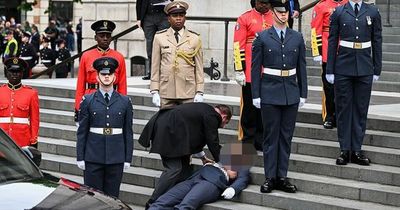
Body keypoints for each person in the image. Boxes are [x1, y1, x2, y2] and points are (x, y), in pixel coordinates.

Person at [251, 0, 307, 193]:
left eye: (286, 13)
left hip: (290, 92)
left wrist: (303, 93)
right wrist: (256, 94)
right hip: (269, 92)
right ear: (273, 13)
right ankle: (270, 177)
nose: (284, 15)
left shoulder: (297, 37)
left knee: (286, 137)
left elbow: (302, 67)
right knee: (270, 137)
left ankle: (282, 176)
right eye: (280, 12)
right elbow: (255, 67)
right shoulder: (262, 37)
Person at [138, 103, 232, 207]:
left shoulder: (205, 111)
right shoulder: (213, 116)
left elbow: (196, 135)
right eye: (225, 123)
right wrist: (224, 163)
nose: (223, 126)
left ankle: (170, 199)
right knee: (174, 169)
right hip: (167, 131)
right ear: (223, 116)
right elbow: (212, 141)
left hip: (172, 131)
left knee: (185, 167)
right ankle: (152, 202)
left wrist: (203, 157)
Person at [326, 0, 382, 166]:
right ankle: (344, 150)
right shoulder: (339, 12)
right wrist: (330, 68)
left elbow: (377, 40)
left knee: (360, 109)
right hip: (343, 66)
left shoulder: (372, 11)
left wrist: (377, 67)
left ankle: (356, 150)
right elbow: (332, 40)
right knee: (343, 109)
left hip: (364, 66)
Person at [76, 57, 133, 198]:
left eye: (110, 74)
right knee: (93, 199)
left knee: (112, 198)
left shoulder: (125, 101)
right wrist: (80, 157)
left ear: (115, 76)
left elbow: (128, 132)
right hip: (93, 157)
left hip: (116, 157)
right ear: (97, 76)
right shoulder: (88, 100)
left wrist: (127, 158)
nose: (106, 77)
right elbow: (82, 132)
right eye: (103, 74)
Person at [233, 0, 273, 151]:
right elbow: (238, 46)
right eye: (261, 2)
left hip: (269, 70)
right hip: (250, 70)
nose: (264, 6)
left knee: (265, 107)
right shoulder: (245, 18)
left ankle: (261, 138)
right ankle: (247, 139)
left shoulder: (275, 17)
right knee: (249, 108)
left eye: (267, 3)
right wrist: (239, 69)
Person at [150, 1, 204, 108]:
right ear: (168, 18)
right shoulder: (159, 37)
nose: (178, 18)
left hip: (188, 91)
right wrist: (154, 90)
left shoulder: (194, 38)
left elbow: (199, 67)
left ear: (185, 18)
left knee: (188, 123)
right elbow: (155, 66)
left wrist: (200, 91)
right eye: (175, 16)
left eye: (181, 15)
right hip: (166, 91)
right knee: (165, 123)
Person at [74, 20, 127, 123]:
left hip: (113, 99)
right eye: (101, 36)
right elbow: (80, 84)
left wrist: (123, 106)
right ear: (95, 38)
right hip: (91, 98)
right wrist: (78, 108)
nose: (105, 38)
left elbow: (122, 85)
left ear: (111, 38)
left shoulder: (119, 57)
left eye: (108, 35)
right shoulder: (86, 56)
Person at [311, 0, 348, 129]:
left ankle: (341, 115)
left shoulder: (348, 3)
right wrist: (317, 52)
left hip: (345, 49)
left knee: (344, 86)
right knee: (329, 87)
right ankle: (329, 116)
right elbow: (316, 29)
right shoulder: (322, 5)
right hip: (328, 49)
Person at [149, 163, 250, 210]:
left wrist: (232, 189)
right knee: (161, 201)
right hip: (194, 178)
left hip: (211, 183)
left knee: (185, 206)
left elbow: (243, 179)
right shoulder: (217, 161)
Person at [0, 57, 39, 147]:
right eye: (12, 72)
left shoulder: (31, 93)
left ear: (22, 74)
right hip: (2, 139)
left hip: (22, 139)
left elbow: (34, 120)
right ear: (7, 73)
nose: (14, 75)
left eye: (17, 72)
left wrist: (34, 140)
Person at [136, 0, 172, 80]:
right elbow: (139, 2)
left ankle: (165, 72)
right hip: (148, 17)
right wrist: (139, 18)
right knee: (150, 46)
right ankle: (152, 72)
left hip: (163, 16)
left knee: (164, 45)